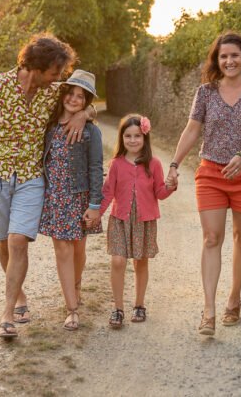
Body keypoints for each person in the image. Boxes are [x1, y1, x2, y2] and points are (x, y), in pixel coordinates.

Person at [0, 33, 96, 339]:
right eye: (54, 72)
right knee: (3, 243)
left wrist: (84, 114)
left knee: (18, 240)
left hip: (31, 178)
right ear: (36, 66)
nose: (58, 79)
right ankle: (19, 296)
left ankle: (6, 315)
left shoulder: (53, 92)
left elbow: (85, 102)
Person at [165, 31, 241, 336]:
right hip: (211, 174)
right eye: (223, 56)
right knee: (212, 238)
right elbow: (191, 130)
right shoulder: (206, 93)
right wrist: (174, 163)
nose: (229, 61)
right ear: (217, 60)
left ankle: (234, 297)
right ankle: (209, 311)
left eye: (235, 55)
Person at [38, 70, 104, 331]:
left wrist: (95, 204)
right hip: (55, 196)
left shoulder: (91, 132)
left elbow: (96, 168)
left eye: (81, 96)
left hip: (80, 196)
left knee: (78, 249)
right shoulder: (49, 125)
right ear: (63, 94)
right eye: (71, 93)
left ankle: (76, 286)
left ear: (86, 101)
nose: (74, 99)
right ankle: (71, 309)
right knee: (62, 249)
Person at [98, 114, 176, 328]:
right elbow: (106, 193)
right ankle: (117, 308)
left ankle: (139, 305)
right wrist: (96, 213)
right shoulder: (116, 164)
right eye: (128, 136)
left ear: (145, 137)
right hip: (119, 220)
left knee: (140, 262)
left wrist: (171, 185)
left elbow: (160, 193)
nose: (133, 140)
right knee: (117, 261)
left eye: (137, 136)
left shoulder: (154, 164)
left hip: (144, 221)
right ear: (121, 139)